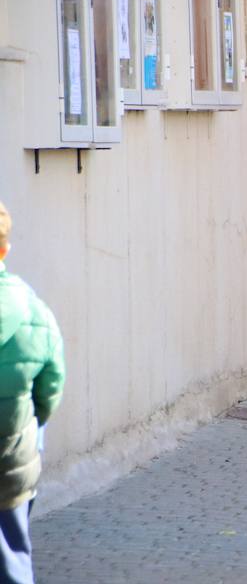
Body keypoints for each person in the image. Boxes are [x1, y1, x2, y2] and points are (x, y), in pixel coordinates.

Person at [0, 201, 65, 583]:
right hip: (11, 460)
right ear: (5, 248)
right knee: (11, 556)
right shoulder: (32, 307)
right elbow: (51, 386)